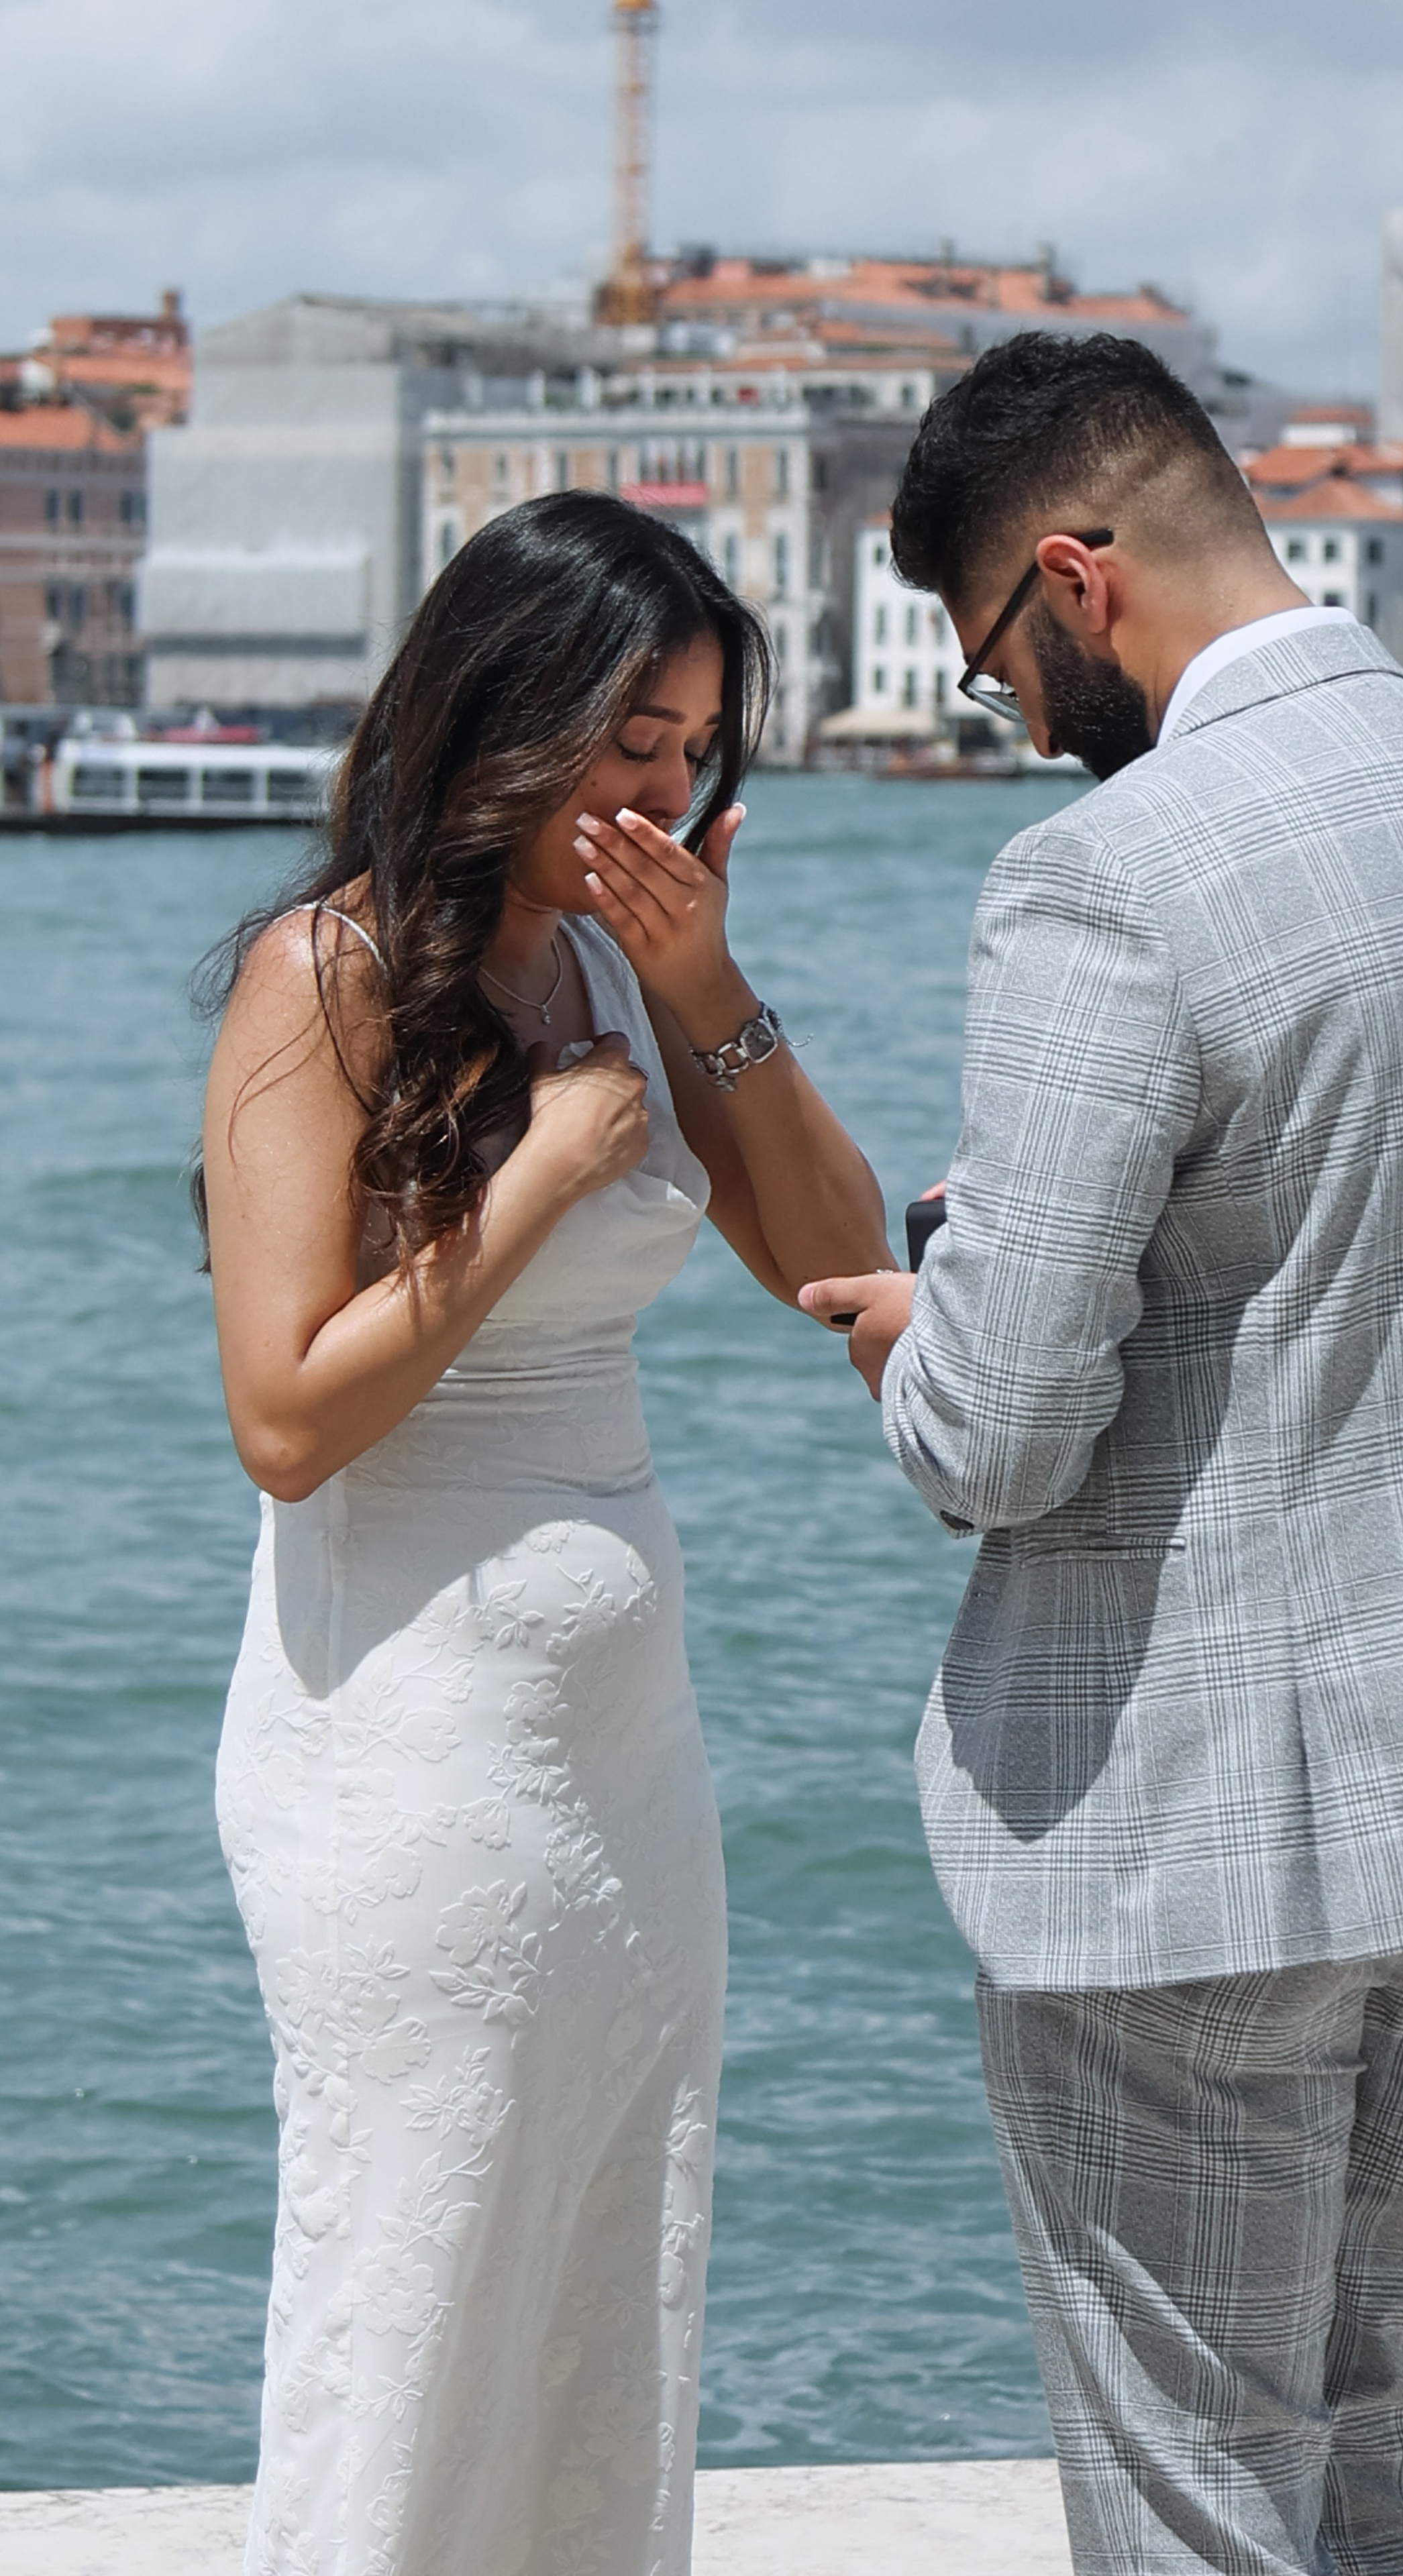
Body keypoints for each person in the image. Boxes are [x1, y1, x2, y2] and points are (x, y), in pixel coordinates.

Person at [801, 333, 1403, 2575]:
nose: (1002, 711)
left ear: (1076, 581)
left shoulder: (1107, 875)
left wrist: (925, 1317)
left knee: (1200, 2502)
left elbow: (999, 1436)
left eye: (990, 649)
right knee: (1382, 2455)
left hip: (1195, 1849)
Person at [201, 490, 891, 2576]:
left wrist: (708, 987)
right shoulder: (313, 977)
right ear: (507, 712)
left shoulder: (626, 959)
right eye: (632, 740)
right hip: (405, 1755)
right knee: (408, 2293)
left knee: (609, 2270)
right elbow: (285, 1420)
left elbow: (846, 1275)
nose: (667, 788)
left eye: (692, 748)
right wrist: (543, 1166)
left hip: (625, 1760)